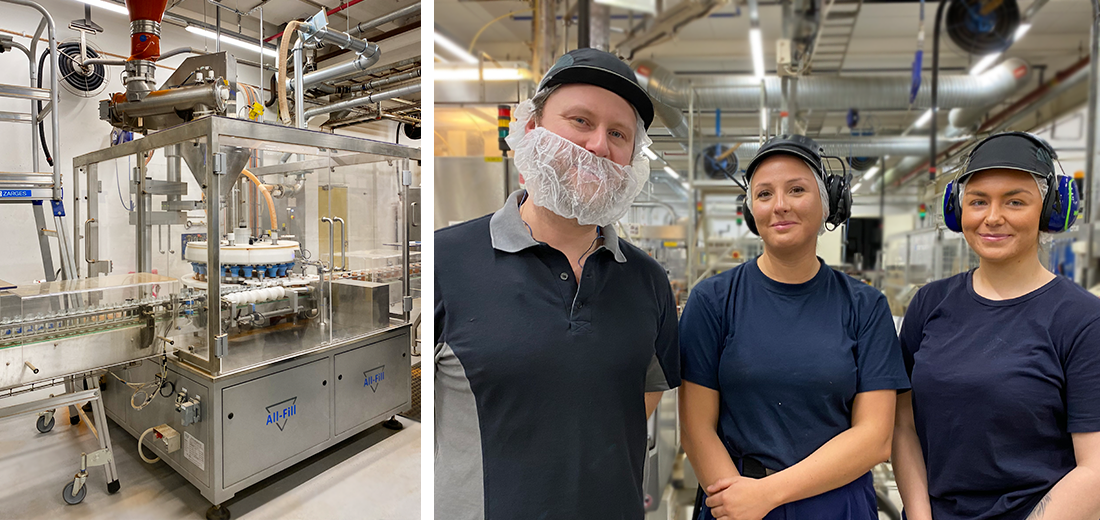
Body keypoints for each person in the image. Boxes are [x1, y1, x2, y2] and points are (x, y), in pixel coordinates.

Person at [434, 48, 681, 520]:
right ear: (532, 129)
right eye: (580, 121)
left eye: (618, 133)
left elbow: (638, 399)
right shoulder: (447, 261)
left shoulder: (648, 281)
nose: (597, 146)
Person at [679, 135, 909, 520]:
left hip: (835, 505)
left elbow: (875, 438)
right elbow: (695, 428)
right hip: (736, 502)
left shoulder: (865, 307)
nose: (780, 206)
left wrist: (767, 495)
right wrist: (738, 508)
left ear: (827, 204)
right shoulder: (712, 301)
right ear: (751, 209)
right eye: (764, 194)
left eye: (797, 190)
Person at [893, 131, 1100, 520]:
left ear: (1051, 209)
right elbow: (902, 424)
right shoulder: (929, 303)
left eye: (1015, 201)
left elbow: (1095, 469)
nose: (992, 217)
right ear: (958, 211)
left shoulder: (1084, 319)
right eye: (978, 201)